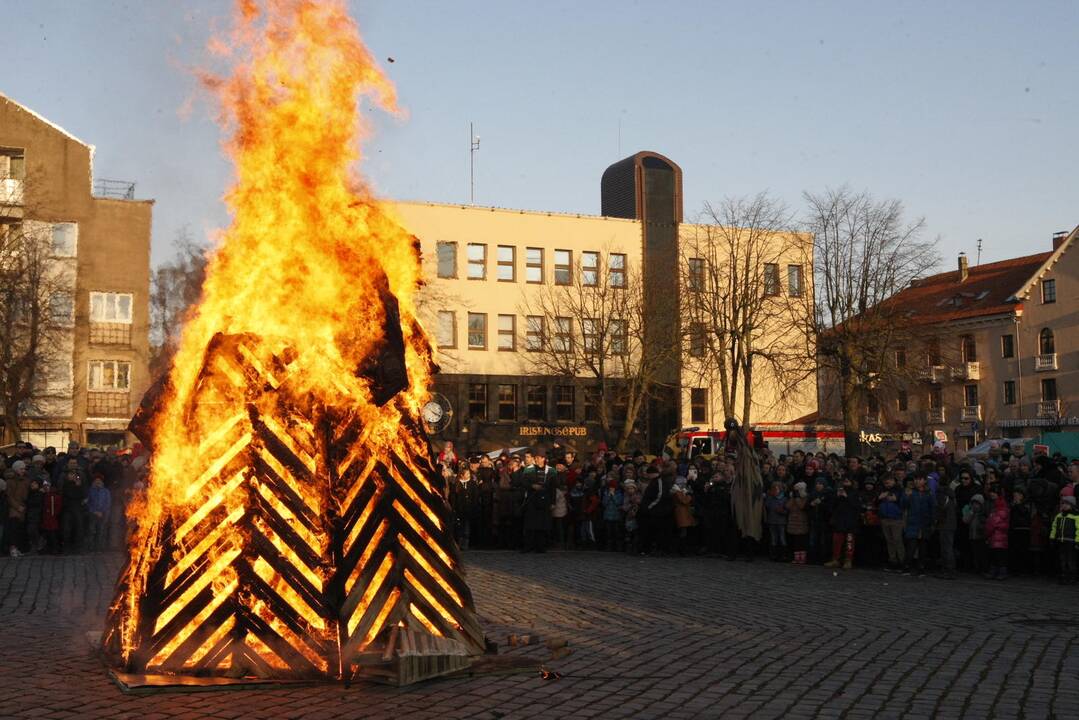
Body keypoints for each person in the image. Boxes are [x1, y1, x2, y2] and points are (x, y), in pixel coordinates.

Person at [518, 451, 555, 553]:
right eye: (536, 457)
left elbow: (553, 488)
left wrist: (553, 502)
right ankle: (528, 546)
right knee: (530, 525)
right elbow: (523, 482)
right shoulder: (529, 470)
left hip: (544, 500)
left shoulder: (551, 471)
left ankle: (540, 547)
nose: (537, 459)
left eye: (539, 457)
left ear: (543, 459)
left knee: (542, 525)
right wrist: (532, 486)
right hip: (532, 499)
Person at [901, 474, 935, 576]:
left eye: (919, 479)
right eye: (916, 479)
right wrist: (907, 496)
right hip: (913, 522)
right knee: (911, 547)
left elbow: (932, 508)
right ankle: (906, 566)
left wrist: (933, 521)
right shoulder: (910, 492)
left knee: (923, 548)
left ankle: (921, 567)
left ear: (924, 481)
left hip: (924, 523)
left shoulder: (928, 493)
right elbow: (903, 505)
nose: (916, 481)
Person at [825, 479, 861, 570]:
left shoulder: (855, 493)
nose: (846, 483)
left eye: (848, 481)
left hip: (850, 521)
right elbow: (831, 506)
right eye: (844, 481)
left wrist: (847, 497)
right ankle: (835, 559)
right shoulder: (837, 492)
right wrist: (837, 497)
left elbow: (857, 506)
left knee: (849, 542)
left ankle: (848, 560)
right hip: (839, 521)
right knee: (837, 541)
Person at [1050, 496, 1079, 584]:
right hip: (1061, 541)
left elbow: (1078, 529)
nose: (1064, 505)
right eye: (1063, 503)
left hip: (1071, 541)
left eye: (1067, 504)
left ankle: (1072, 576)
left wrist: (1078, 541)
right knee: (1062, 559)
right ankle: (1064, 575)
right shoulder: (1059, 516)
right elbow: (1054, 527)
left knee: (1071, 560)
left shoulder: (1076, 516)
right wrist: (1052, 538)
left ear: (1072, 505)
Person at [983, 492, 1011, 580]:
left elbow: (991, 525)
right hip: (1001, 538)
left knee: (995, 557)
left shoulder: (997, 512)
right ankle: (1000, 572)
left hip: (995, 538)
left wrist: (986, 534)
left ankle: (995, 572)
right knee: (1000, 557)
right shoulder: (1005, 511)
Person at [763, 481, 788, 562]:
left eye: (776, 489)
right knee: (773, 538)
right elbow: (767, 506)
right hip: (772, 521)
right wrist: (768, 496)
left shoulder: (784, 499)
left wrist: (782, 511)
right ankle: (773, 555)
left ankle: (783, 555)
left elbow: (787, 511)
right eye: (773, 489)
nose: (774, 491)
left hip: (781, 522)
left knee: (782, 538)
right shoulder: (770, 498)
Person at [87, 474, 111, 552]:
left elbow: (108, 503)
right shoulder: (90, 491)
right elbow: (88, 503)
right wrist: (94, 511)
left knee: (101, 531)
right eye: (96, 481)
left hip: (103, 514)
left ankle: (99, 548)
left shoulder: (106, 491)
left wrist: (102, 512)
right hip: (93, 514)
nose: (98, 482)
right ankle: (91, 547)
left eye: (99, 481)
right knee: (91, 531)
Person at [786, 481, 809, 565]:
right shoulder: (792, 497)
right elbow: (788, 506)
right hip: (793, 521)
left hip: (801, 521)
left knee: (801, 540)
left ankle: (802, 558)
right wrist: (793, 498)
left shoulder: (805, 497)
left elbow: (801, 506)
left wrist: (797, 498)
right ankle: (796, 557)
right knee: (795, 540)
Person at [672, 476, 695, 556]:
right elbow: (684, 501)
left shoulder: (678, 491)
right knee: (683, 532)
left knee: (683, 532)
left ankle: (682, 549)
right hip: (681, 514)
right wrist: (689, 496)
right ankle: (682, 550)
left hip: (683, 514)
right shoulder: (677, 491)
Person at [601, 476, 624, 552]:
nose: (611, 488)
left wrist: (613, 496)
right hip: (608, 516)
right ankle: (609, 546)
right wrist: (608, 496)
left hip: (616, 516)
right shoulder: (606, 493)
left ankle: (617, 546)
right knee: (608, 533)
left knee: (617, 532)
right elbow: (604, 503)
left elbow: (619, 503)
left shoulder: (619, 494)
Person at [41, 481, 63, 554]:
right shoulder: (44, 495)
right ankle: (51, 547)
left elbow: (57, 507)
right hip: (47, 517)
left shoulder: (54, 496)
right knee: (48, 533)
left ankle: (55, 547)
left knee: (53, 533)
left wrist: (54, 513)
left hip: (52, 517)